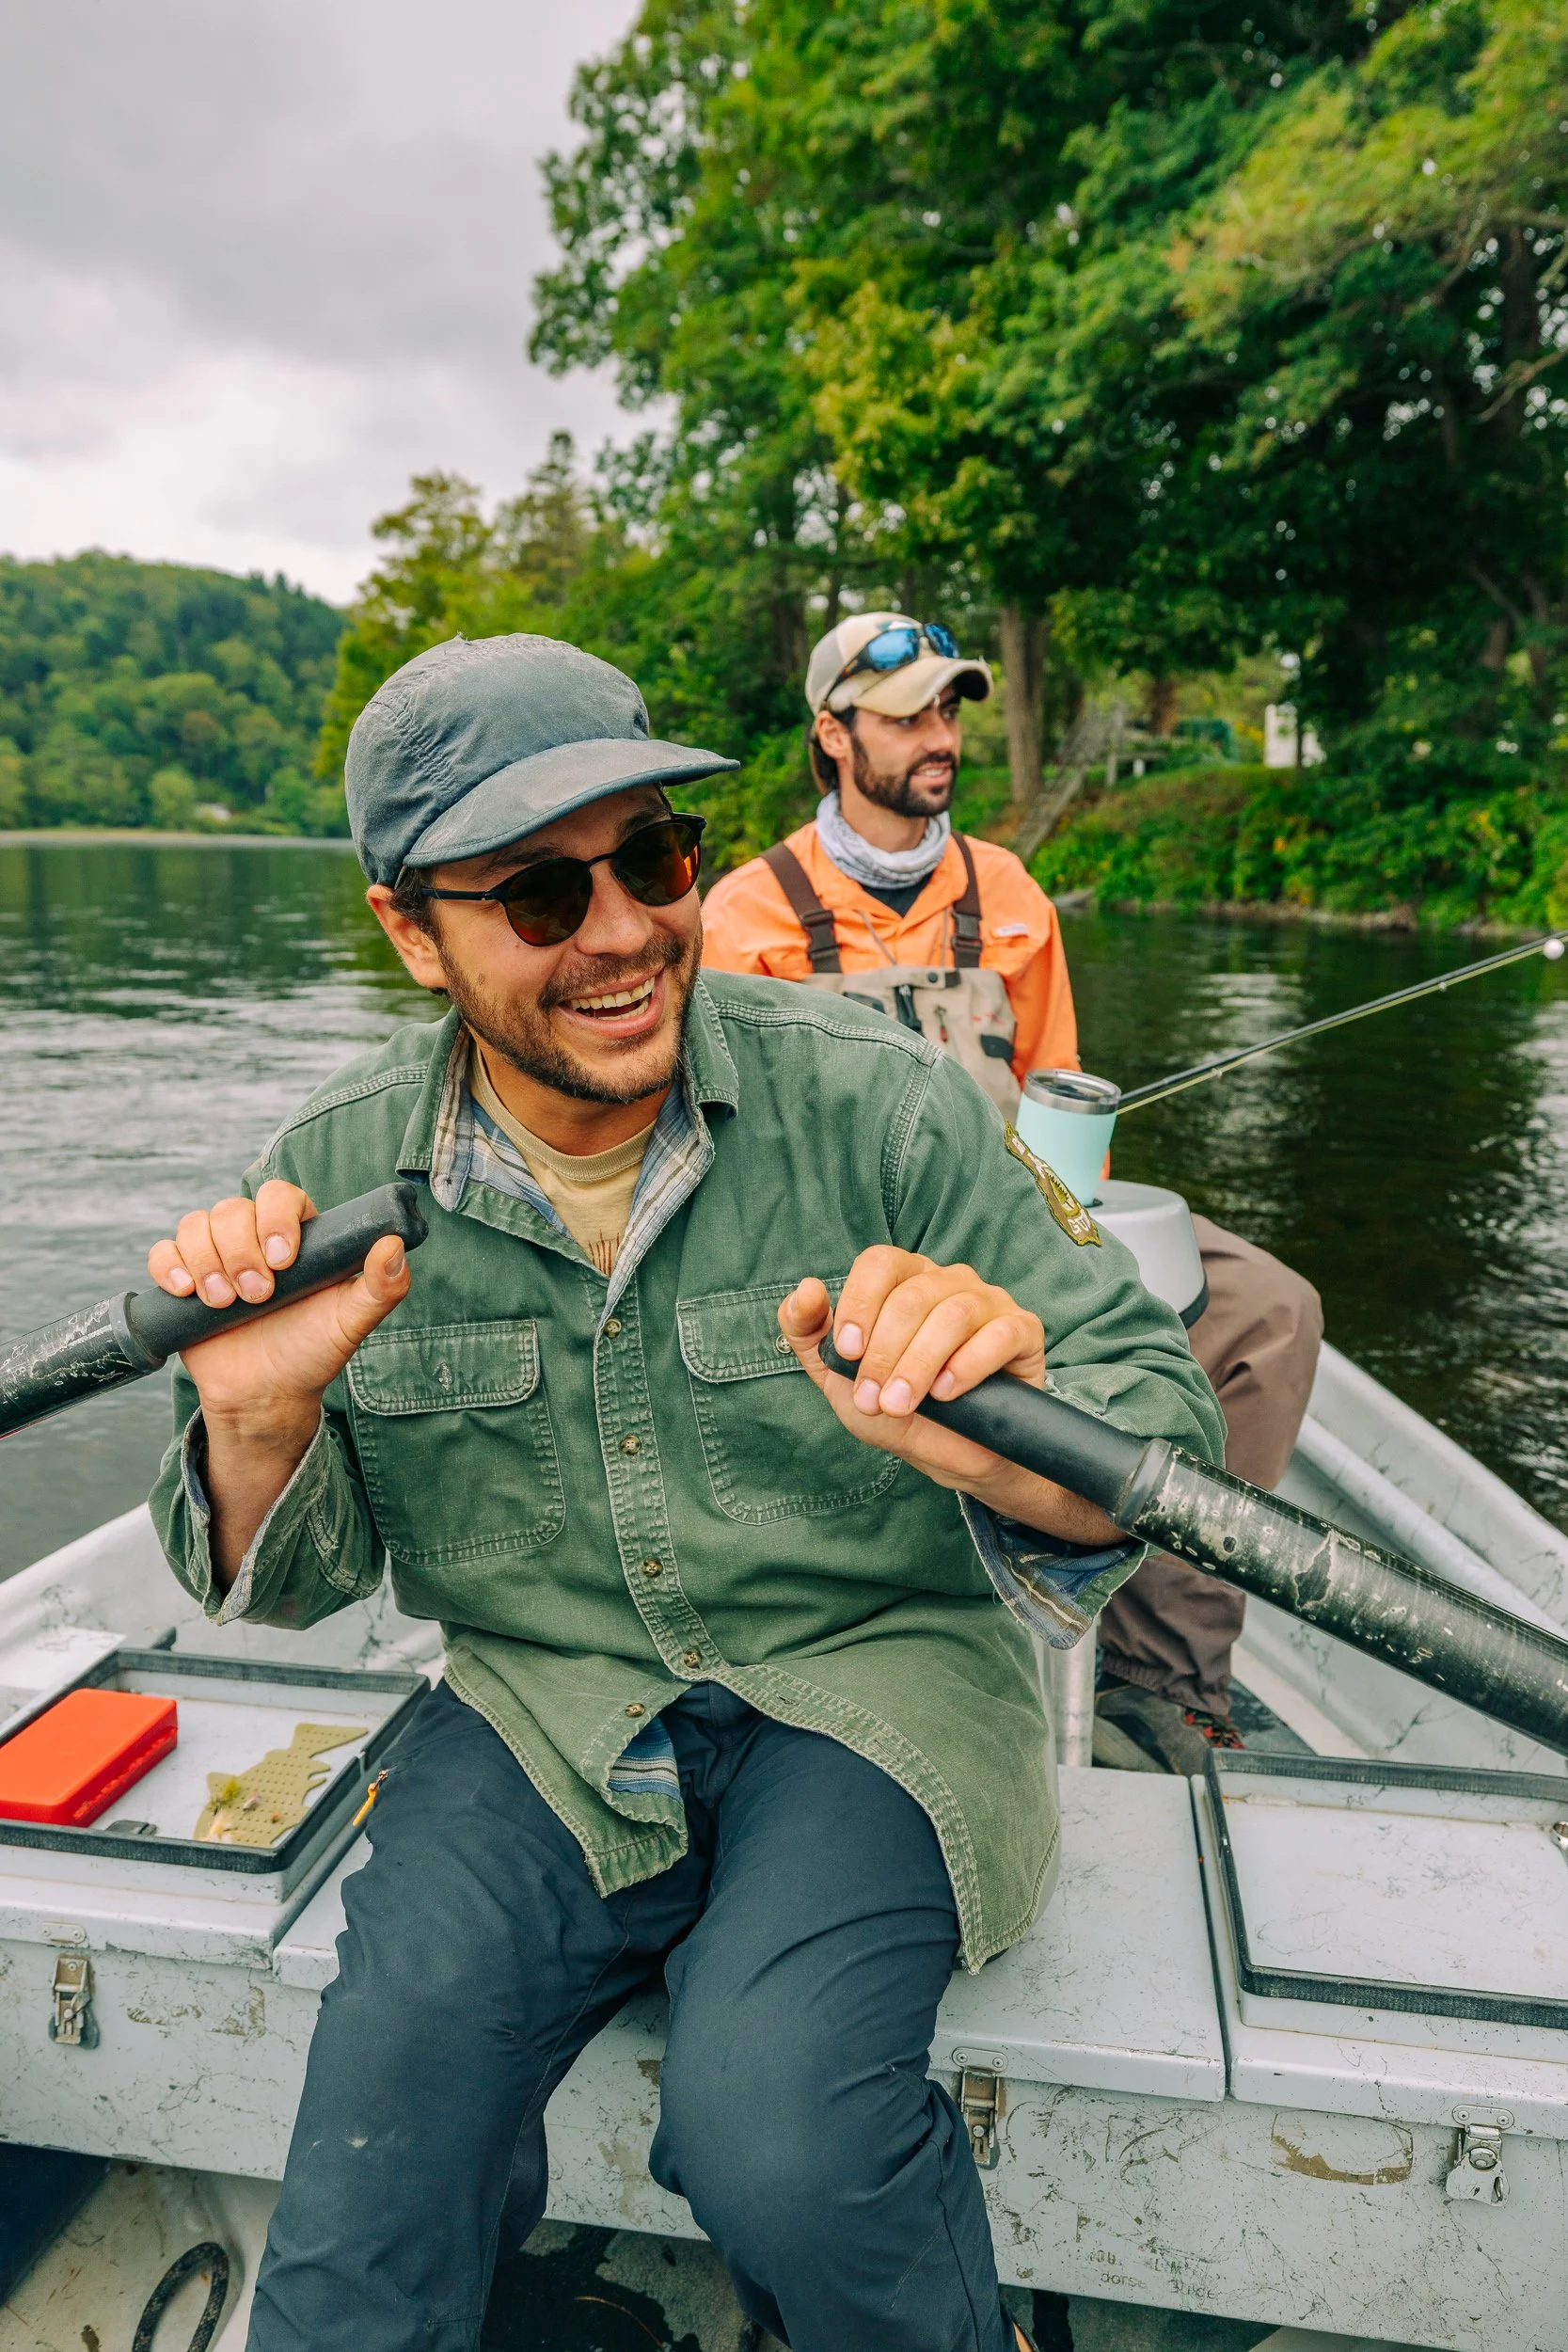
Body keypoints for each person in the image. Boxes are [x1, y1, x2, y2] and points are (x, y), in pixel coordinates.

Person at [147, 632, 1223, 2352]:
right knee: (366, 2170)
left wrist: (1006, 1436)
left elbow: (1158, 1425)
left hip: (868, 1692)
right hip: (536, 1705)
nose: (623, 931)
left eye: (651, 859)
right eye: (538, 893)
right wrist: (258, 1418)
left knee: (784, 2134)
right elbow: (282, 1584)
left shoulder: (889, 1106)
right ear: (411, 932)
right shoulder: (329, 1175)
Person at [702, 612, 1323, 1772]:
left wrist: (1066, 1212)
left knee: (1266, 1311)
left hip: (1010, 1213)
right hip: (833, 1253)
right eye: (907, 717)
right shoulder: (739, 917)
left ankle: (1159, 1673)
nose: (940, 737)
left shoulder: (1012, 893)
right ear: (832, 734)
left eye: (948, 711)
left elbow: (1054, 1103)